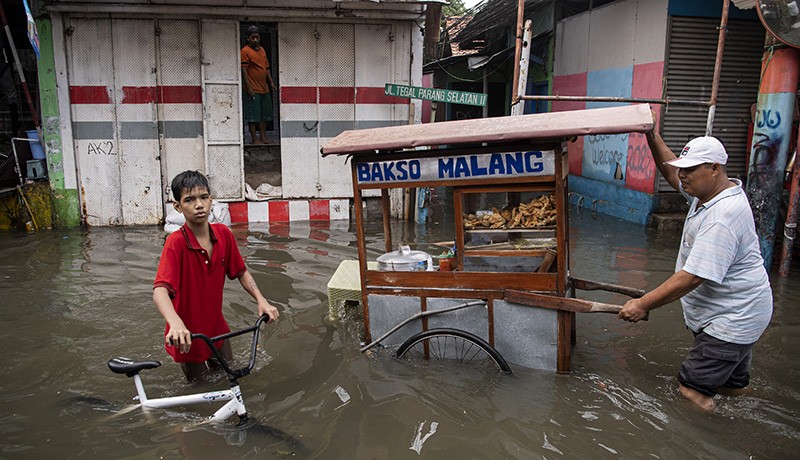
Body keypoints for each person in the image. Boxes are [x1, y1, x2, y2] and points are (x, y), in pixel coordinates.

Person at [618, 128, 773, 412]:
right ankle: (748, 418)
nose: (682, 176)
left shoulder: (722, 217)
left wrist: (643, 304)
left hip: (731, 319)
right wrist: (651, 134)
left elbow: (691, 278)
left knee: (691, 390)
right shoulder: (706, 195)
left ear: (714, 168)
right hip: (744, 312)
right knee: (731, 386)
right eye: (682, 169)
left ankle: (714, 442)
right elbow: (669, 173)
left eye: (689, 170)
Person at [153, 170, 279, 381]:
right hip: (188, 335)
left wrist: (261, 300)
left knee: (230, 376)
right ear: (178, 206)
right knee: (200, 387)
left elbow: (241, 272)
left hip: (218, 329)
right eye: (190, 200)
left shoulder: (224, 234)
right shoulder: (176, 243)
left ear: (211, 200)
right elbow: (160, 290)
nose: (199, 205)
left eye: (204, 197)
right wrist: (175, 324)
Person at [241, 25, 277, 145]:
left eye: (257, 38)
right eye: (253, 38)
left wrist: (271, 82)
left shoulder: (262, 50)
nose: (255, 40)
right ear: (248, 38)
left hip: (264, 88)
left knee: (265, 115)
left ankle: (263, 137)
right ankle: (254, 139)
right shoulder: (245, 51)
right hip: (253, 88)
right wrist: (248, 86)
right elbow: (244, 70)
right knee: (253, 116)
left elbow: (266, 68)